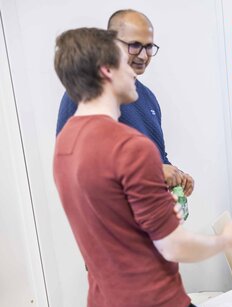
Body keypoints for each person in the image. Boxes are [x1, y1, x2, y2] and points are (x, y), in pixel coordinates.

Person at [53, 27, 232, 307]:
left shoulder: (65, 144)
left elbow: (107, 213)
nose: (136, 67)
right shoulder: (131, 146)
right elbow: (174, 247)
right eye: (126, 59)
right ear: (107, 71)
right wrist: (225, 240)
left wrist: (155, 206)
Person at [56, 9, 194, 195]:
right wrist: (153, 171)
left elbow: (157, 157)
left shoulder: (148, 98)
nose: (143, 56)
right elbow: (73, 166)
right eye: (134, 45)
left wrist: (176, 175)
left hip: (151, 209)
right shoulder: (84, 95)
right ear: (110, 44)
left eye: (149, 47)